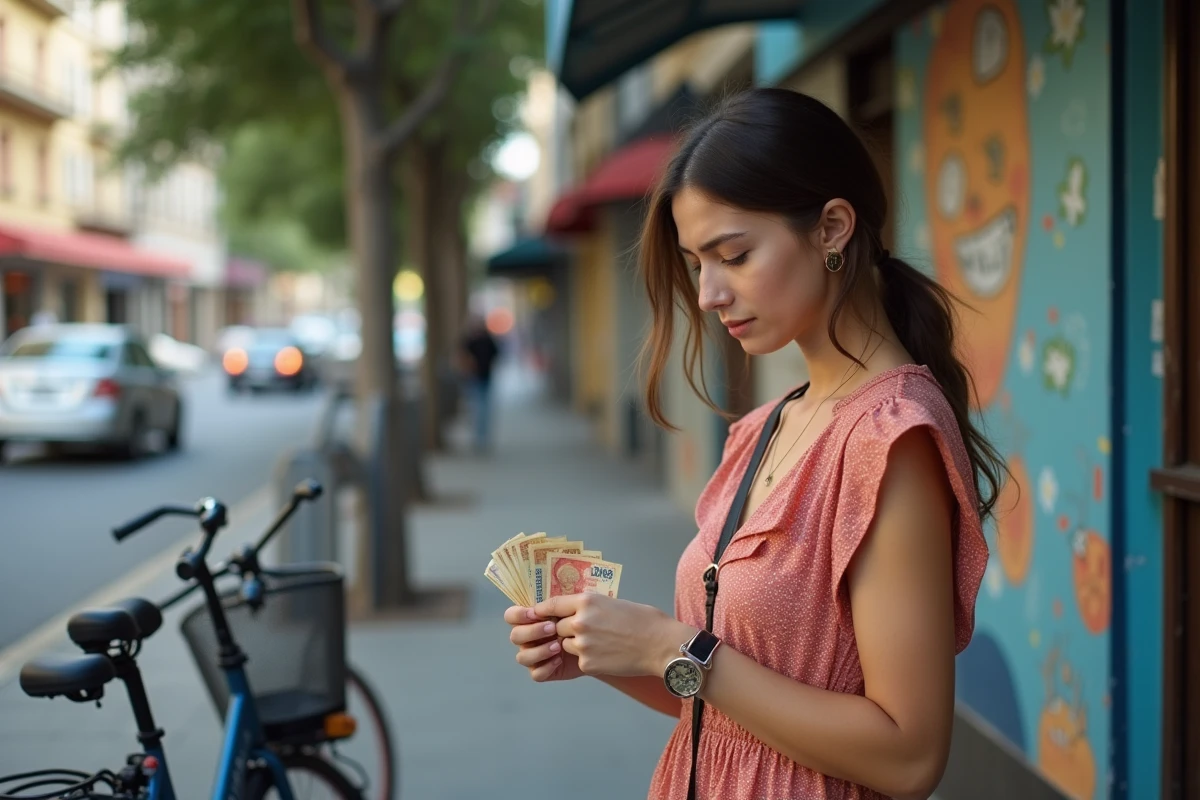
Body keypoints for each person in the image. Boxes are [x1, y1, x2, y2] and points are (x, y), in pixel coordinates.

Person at [503, 87, 1006, 800]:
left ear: (832, 228)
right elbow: (726, 709)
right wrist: (604, 653)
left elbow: (910, 755)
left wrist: (666, 643)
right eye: (696, 263)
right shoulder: (766, 426)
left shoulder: (891, 439)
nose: (708, 292)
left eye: (732, 255)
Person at [459, 313, 500, 452]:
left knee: (484, 408)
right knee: (477, 408)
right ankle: (478, 437)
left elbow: (496, 354)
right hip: (473, 378)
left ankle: (483, 437)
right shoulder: (469, 341)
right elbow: (461, 356)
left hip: (486, 378)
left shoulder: (488, 340)